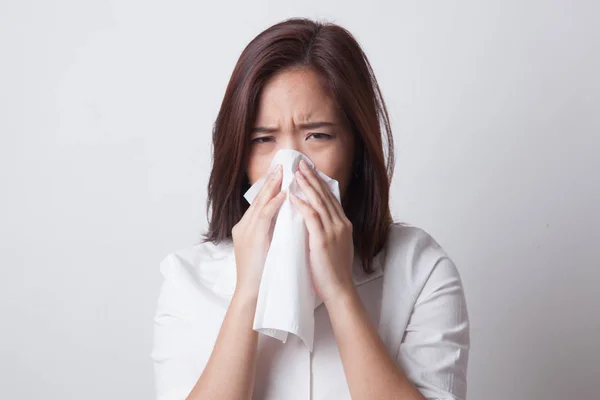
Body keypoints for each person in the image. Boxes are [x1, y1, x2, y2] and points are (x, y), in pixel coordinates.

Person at [151, 17, 470, 400]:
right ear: (239, 155)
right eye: (264, 139)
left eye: (317, 135)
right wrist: (248, 291)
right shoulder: (187, 281)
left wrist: (340, 291)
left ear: (356, 148)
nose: (290, 165)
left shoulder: (420, 269)